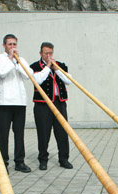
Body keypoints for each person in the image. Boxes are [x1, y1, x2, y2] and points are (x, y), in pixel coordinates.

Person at [0, 34, 32, 173]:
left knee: (19, 134)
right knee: (3, 135)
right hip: (4, 103)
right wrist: (10, 59)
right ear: (4, 45)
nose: (12, 47)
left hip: (20, 102)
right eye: (10, 44)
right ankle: (2, 164)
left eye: (14, 44)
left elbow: (28, 75)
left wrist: (18, 61)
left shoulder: (20, 60)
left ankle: (19, 162)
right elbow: (1, 72)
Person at [30, 42, 73, 171]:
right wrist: (48, 67)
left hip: (59, 103)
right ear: (41, 54)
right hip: (42, 105)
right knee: (43, 133)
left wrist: (56, 69)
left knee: (62, 132)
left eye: (50, 53)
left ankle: (64, 159)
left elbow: (69, 80)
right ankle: (43, 160)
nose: (48, 55)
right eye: (46, 53)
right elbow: (37, 80)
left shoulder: (60, 65)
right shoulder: (34, 66)